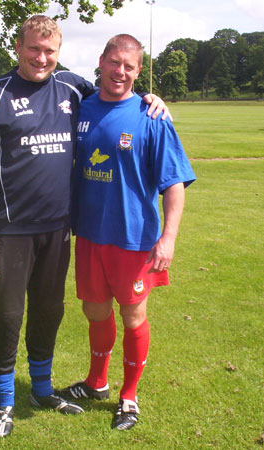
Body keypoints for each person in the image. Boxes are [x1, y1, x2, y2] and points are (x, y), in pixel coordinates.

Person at [0, 16, 170, 438]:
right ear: (18, 47)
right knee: (7, 315)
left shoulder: (72, 89)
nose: (41, 59)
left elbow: (114, 95)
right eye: (34, 49)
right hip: (7, 230)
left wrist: (150, 100)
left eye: (50, 52)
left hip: (59, 230)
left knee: (49, 311)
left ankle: (43, 389)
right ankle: (3, 399)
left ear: (59, 52)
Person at [58, 34, 196, 431]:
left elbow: (173, 184)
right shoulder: (78, 110)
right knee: (94, 310)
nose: (120, 72)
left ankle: (129, 396)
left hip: (134, 240)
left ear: (138, 71)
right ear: (101, 61)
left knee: (133, 317)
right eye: (114, 62)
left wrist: (168, 239)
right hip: (88, 235)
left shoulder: (151, 116)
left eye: (130, 66)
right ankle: (96, 382)